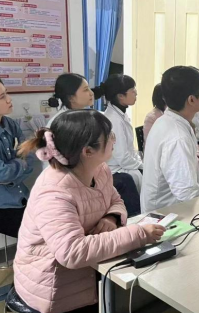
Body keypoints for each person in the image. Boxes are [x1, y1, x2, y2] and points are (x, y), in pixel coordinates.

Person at [14, 109, 165, 313]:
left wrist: (111, 217)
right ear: (87, 151)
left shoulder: (100, 169)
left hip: (89, 268)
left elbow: (115, 200)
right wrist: (139, 234)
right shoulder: (54, 192)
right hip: (51, 282)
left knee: (146, 286)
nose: (114, 140)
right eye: (109, 136)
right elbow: (71, 253)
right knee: (127, 302)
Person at [46, 73, 140, 215]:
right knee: (126, 181)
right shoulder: (60, 123)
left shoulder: (85, 116)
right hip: (69, 183)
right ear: (71, 97)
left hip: (89, 176)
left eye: (89, 89)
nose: (91, 93)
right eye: (85, 90)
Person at [141, 66, 199, 212]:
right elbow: (188, 194)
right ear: (191, 99)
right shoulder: (177, 137)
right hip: (166, 216)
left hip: (168, 208)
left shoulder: (168, 120)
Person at [0, 76, 35, 238]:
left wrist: (9, 177)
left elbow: (30, 158)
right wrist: (19, 163)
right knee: (40, 235)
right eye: (2, 97)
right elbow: (1, 173)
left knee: (53, 222)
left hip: (21, 196)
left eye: (7, 93)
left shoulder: (11, 124)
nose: (9, 100)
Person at [96, 74, 143, 192]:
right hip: (117, 169)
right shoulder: (113, 120)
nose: (136, 93)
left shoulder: (120, 114)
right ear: (121, 96)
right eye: (132, 90)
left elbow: (129, 150)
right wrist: (142, 166)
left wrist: (140, 162)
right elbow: (122, 157)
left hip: (125, 165)